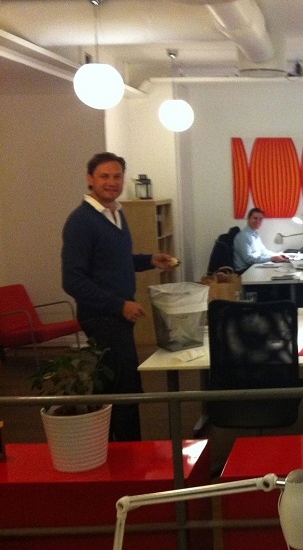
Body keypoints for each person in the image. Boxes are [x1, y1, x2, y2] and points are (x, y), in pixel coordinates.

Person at [62, 152, 177, 441]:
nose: (112, 182)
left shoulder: (116, 213)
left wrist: (150, 260)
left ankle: (108, 447)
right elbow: (72, 280)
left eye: (117, 176)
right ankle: (128, 449)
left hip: (117, 316)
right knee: (125, 389)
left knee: (113, 385)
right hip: (102, 316)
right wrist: (118, 305)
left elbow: (116, 261)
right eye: (104, 176)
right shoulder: (81, 221)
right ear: (90, 179)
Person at [233, 207, 289, 272]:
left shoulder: (256, 234)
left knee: (281, 270)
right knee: (276, 273)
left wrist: (276, 255)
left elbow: (263, 251)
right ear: (248, 219)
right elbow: (248, 259)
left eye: (260, 219)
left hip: (254, 266)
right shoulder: (243, 236)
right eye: (255, 218)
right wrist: (271, 258)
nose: (258, 221)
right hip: (245, 270)